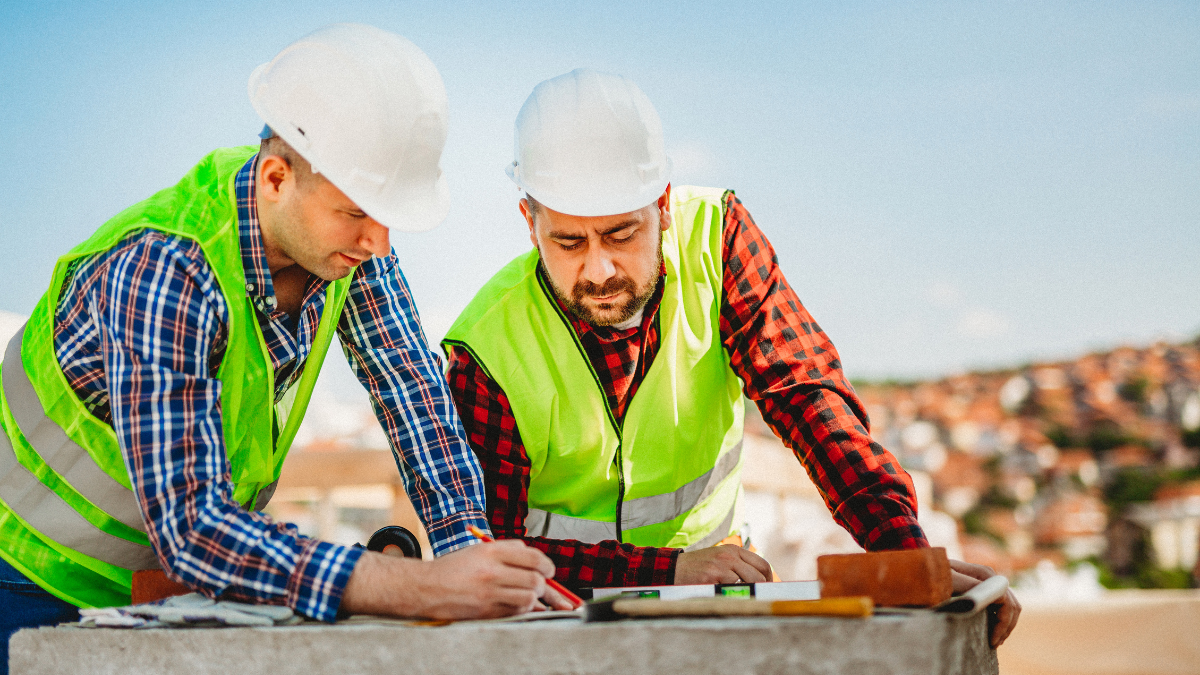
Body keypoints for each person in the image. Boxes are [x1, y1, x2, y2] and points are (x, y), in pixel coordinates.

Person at [0, 24, 569, 669]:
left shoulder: (345, 248)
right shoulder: (165, 268)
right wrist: (416, 586)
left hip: (167, 593)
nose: (378, 242)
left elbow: (414, 393)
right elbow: (194, 528)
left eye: (387, 217)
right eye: (356, 213)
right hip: (23, 581)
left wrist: (467, 547)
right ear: (276, 178)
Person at [443, 69, 1020, 646]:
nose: (599, 271)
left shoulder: (716, 241)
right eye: (569, 243)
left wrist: (904, 553)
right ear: (529, 223)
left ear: (663, 205)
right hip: (560, 617)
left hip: (718, 592)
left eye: (621, 235)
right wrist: (666, 573)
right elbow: (493, 549)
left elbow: (805, 394)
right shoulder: (487, 349)